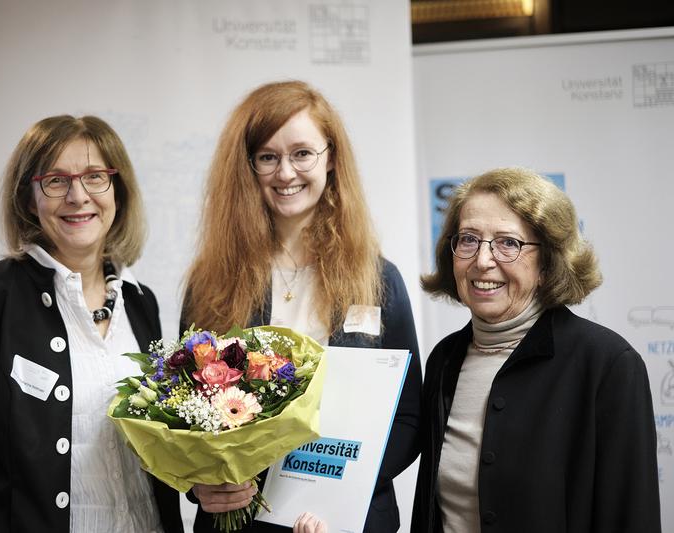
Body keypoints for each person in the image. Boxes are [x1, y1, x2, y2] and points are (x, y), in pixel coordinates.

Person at [180, 80, 422, 532]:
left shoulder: (377, 279)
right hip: (240, 520)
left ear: (330, 158)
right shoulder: (211, 282)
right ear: (247, 167)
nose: (285, 173)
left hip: (345, 521)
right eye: (268, 157)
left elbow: (407, 415)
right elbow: (183, 411)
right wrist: (203, 485)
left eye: (302, 153)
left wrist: (336, 489)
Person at [0, 115, 183, 533]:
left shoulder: (140, 302)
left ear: (118, 190)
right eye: (56, 181)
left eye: (95, 176)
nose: (78, 196)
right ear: (28, 198)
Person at [411, 167, 661, 533]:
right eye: (468, 239)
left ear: (547, 263)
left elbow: (630, 518)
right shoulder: (444, 360)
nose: (482, 261)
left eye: (508, 243)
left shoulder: (607, 365)